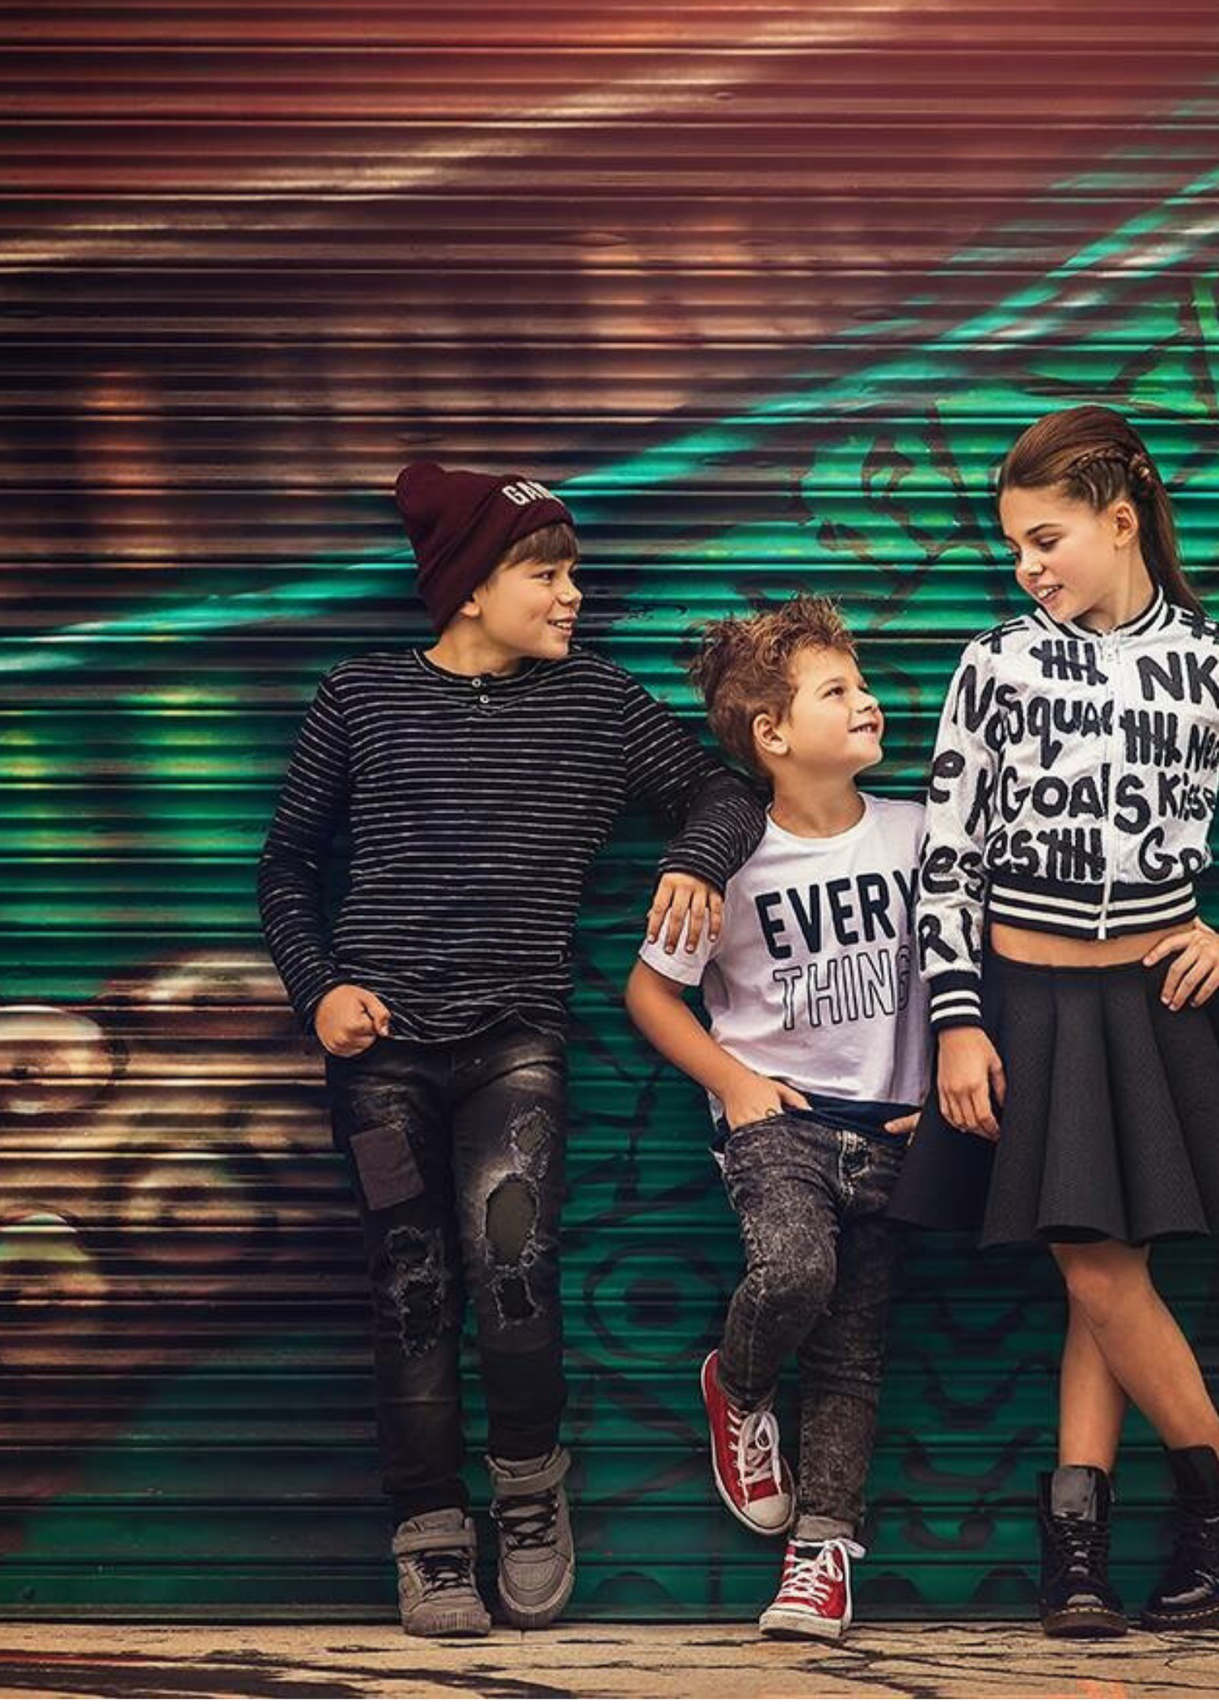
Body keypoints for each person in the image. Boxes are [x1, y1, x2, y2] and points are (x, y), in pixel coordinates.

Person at [256, 462, 766, 1638]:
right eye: (547, 572)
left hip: (514, 1045)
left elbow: (722, 796)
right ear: (471, 589)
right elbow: (285, 867)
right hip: (378, 1053)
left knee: (514, 1279)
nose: (573, 592)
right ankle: (430, 1533)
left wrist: (692, 859)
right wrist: (318, 987)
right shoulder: (361, 699)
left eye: (571, 569)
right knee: (410, 1292)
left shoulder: (596, 703)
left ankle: (530, 1495)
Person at [890, 404, 1219, 1637]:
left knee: (1106, 1266)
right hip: (1022, 1003)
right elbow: (947, 856)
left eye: (1045, 539)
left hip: (1150, 1005)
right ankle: (1208, 1498)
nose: (1026, 567)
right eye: (1013, 549)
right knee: (1098, 1264)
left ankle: (1104, 1533)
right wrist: (955, 1019)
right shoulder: (994, 662)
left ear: (1119, 519)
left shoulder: (1217, 660)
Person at [625, 595, 928, 1641]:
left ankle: (821, 1558)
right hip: (777, 1124)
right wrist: (735, 1083)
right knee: (795, 1273)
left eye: (863, 682)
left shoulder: (919, 834)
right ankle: (738, 1379)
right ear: (771, 733)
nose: (869, 701)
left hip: (895, 1127)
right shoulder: (729, 859)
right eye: (836, 690)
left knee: (853, 1354)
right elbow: (649, 992)